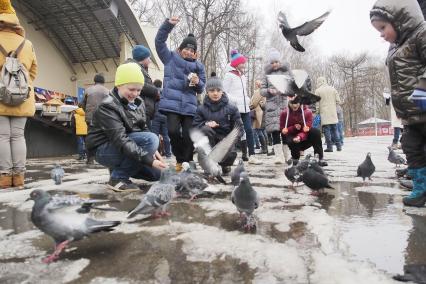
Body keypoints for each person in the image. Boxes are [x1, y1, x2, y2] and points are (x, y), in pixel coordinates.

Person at [371, 0, 426, 207]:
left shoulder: (422, 34)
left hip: (424, 106)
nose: (381, 34)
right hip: (410, 115)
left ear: (400, 21)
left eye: (383, 28)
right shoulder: (394, 48)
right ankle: (421, 188)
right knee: (411, 148)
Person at [86, 63, 166, 192]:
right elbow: (120, 139)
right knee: (151, 140)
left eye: (139, 90)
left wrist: (153, 150)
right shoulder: (108, 106)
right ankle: (118, 178)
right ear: (119, 85)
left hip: (124, 146)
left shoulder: (139, 102)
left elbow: (143, 128)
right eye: (131, 89)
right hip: (103, 150)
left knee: (157, 174)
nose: (135, 94)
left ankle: (118, 169)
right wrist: (149, 159)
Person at [155, 16, 206, 172]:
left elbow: (201, 88)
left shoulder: (199, 67)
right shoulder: (170, 58)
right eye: (187, 49)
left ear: (195, 53)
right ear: (180, 48)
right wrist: (168, 25)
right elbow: (159, 42)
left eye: (192, 50)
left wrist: (197, 82)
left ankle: (188, 162)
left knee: (190, 135)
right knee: (173, 131)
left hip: (190, 106)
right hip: (172, 104)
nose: (189, 52)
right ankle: (180, 159)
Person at [0, 0, 37, 189]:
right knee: (18, 136)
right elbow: (33, 72)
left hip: (0, 98)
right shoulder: (27, 44)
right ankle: (19, 176)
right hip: (23, 98)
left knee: (2, 137)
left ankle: (5, 177)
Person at [192, 74, 242, 174]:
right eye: (212, 90)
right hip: (209, 142)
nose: (215, 93)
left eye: (218, 90)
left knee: (230, 154)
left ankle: (225, 165)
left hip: (225, 142)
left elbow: (239, 129)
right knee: (205, 130)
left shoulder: (232, 108)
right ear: (207, 92)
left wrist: (230, 142)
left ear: (222, 91)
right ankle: (208, 166)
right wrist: (206, 123)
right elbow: (195, 127)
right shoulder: (201, 109)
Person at [223, 50, 261, 165]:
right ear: (235, 63)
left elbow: (243, 92)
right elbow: (224, 92)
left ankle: (252, 156)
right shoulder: (229, 75)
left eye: (244, 63)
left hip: (245, 109)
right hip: (234, 109)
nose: (244, 65)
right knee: (234, 132)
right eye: (242, 63)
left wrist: (247, 99)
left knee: (249, 130)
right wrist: (235, 100)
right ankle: (231, 157)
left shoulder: (243, 76)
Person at [260, 49, 292, 164]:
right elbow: (262, 91)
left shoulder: (286, 72)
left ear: (280, 61)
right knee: (275, 132)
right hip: (272, 106)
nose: (274, 64)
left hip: (284, 105)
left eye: (276, 62)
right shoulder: (266, 74)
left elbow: (292, 88)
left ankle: (287, 154)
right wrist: (269, 90)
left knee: (285, 131)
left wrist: (284, 90)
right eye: (272, 62)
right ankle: (278, 156)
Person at [280, 96, 327, 166]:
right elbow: (283, 129)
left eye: (297, 103)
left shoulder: (308, 112)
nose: (294, 105)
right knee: (286, 137)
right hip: (292, 138)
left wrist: (299, 137)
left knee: (315, 132)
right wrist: (293, 128)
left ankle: (319, 157)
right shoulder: (284, 113)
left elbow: (307, 129)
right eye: (292, 103)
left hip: (304, 138)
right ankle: (295, 158)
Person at [127, 44, 160, 130]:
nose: (150, 60)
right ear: (142, 58)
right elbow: (139, 84)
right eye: (148, 58)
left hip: (144, 109)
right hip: (140, 109)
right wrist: (156, 91)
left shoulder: (140, 68)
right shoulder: (135, 68)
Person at [81, 73, 110, 164]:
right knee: (105, 137)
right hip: (103, 118)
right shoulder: (107, 91)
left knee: (90, 137)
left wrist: (88, 112)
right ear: (103, 81)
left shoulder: (88, 90)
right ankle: (103, 157)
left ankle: (90, 159)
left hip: (90, 118)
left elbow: (82, 104)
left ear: (94, 80)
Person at [315, 76, 342, 152]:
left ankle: (329, 147)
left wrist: (317, 111)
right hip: (333, 112)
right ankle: (339, 146)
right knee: (335, 129)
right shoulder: (333, 89)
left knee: (327, 130)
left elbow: (317, 103)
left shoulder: (318, 91)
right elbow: (338, 101)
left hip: (324, 113)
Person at [151, 79, 172, 158]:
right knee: (166, 136)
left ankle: (155, 154)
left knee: (155, 136)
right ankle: (168, 154)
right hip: (165, 116)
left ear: (154, 85)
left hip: (156, 115)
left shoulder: (153, 92)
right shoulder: (165, 92)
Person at [250, 80, 268, 154]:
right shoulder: (265, 92)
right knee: (263, 130)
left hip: (258, 112)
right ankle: (265, 148)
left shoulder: (258, 91)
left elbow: (254, 103)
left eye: (256, 84)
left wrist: (249, 107)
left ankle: (264, 148)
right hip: (263, 112)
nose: (256, 85)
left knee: (258, 130)